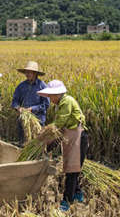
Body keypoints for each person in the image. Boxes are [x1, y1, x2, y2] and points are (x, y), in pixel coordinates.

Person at [37, 80, 89, 212]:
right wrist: (48, 146)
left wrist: (44, 133)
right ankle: (78, 194)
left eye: (51, 96)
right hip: (70, 137)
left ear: (58, 94)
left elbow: (59, 123)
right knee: (72, 168)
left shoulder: (66, 101)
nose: (50, 99)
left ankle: (67, 201)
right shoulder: (59, 104)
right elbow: (60, 129)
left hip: (78, 138)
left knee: (72, 171)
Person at [11, 61, 50, 145]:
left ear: (35, 73)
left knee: (37, 144)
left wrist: (32, 109)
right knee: (23, 143)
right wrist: (18, 108)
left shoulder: (42, 86)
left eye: (30, 72)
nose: (27, 74)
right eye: (26, 72)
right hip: (23, 120)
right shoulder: (21, 86)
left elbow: (46, 104)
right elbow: (14, 101)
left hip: (38, 121)